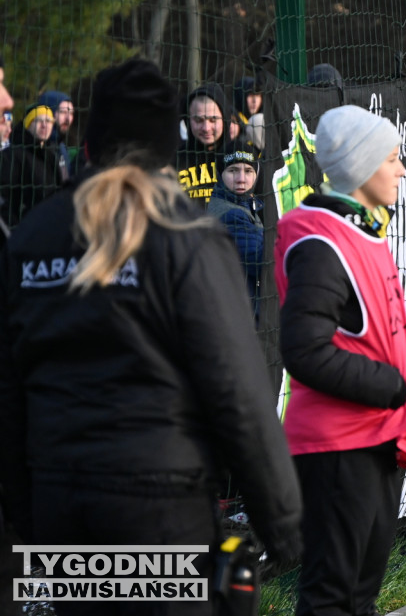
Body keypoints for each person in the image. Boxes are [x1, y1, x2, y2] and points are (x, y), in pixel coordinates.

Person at [0, 58, 303, 616]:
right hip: (163, 513)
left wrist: (29, 526)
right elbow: (238, 395)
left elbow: (9, 397)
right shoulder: (185, 237)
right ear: (169, 144)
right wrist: (285, 528)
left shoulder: (31, 241)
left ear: (89, 141)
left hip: (58, 511)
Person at [276, 104, 406, 616]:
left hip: (376, 436)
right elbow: (304, 349)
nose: (401, 170)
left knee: (358, 595)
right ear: (362, 167)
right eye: (392, 158)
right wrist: (388, 385)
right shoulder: (321, 243)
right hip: (339, 446)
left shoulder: (361, 231)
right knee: (333, 597)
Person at [208, 139, 263, 322]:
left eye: (248, 171)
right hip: (240, 316)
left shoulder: (249, 205)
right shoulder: (229, 215)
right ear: (219, 174)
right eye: (233, 171)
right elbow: (261, 260)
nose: (241, 179)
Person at [0, 103, 64, 230]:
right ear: (28, 124)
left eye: (49, 121)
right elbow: (6, 199)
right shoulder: (12, 155)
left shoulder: (52, 154)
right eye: (38, 121)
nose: (44, 125)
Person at [177, 82, 233, 205]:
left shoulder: (241, 157)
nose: (206, 128)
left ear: (225, 119)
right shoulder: (174, 161)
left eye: (213, 120)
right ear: (188, 120)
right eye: (198, 120)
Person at [38, 89, 75, 175]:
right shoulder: (36, 149)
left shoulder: (61, 146)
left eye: (71, 113)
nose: (68, 119)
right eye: (62, 112)